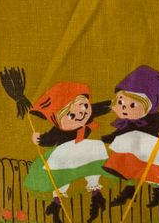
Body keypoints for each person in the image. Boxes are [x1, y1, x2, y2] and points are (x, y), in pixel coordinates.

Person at [102, 66, 159, 208]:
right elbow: (121, 132)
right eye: (120, 102)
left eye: (132, 104)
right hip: (134, 151)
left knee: (151, 171)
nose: (124, 108)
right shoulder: (128, 122)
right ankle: (129, 190)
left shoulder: (156, 118)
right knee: (128, 166)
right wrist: (108, 138)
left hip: (152, 150)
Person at [24, 82, 114, 223]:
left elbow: (99, 108)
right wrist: (39, 139)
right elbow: (48, 139)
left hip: (82, 150)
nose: (81, 115)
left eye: (84, 106)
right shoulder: (58, 131)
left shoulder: (88, 115)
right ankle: (57, 203)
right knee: (61, 175)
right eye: (71, 115)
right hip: (64, 153)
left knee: (92, 161)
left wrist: (112, 104)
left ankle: (96, 194)